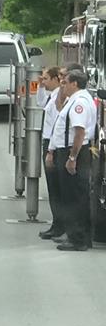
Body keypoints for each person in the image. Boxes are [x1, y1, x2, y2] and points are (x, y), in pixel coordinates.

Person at [46, 68, 97, 251]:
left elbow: (79, 131)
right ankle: (76, 235)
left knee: (75, 196)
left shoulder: (79, 103)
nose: (63, 85)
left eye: (65, 82)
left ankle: (78, 239)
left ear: (75, 83)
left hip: (75, 152)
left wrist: (72, 157)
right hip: (67, 151)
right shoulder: (73, 100)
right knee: (71, 195)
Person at [37, 66, 65, 240]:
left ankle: (59, 225)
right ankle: (57, 223)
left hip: (51, 143)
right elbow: (40, 103)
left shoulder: (59, 98)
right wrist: (40, 86)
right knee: (52, 188)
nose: (44, 81)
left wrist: (50, 151)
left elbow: (57, 126)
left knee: (56, 189)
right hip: (48, 141)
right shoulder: (52, 96)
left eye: (46, 79)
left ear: (55, 79)